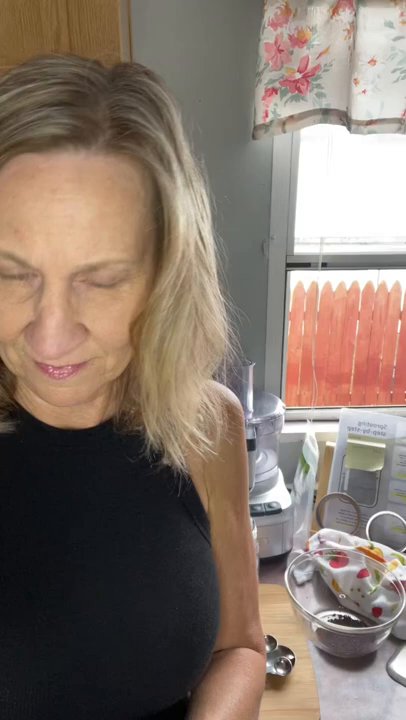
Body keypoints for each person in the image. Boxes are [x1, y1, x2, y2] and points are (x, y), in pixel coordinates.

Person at [0, 53, 266, 719]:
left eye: (102, 280)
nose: (51, 338)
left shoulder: (206, 427)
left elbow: (239, 646)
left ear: (166, 277)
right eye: (9, 272)